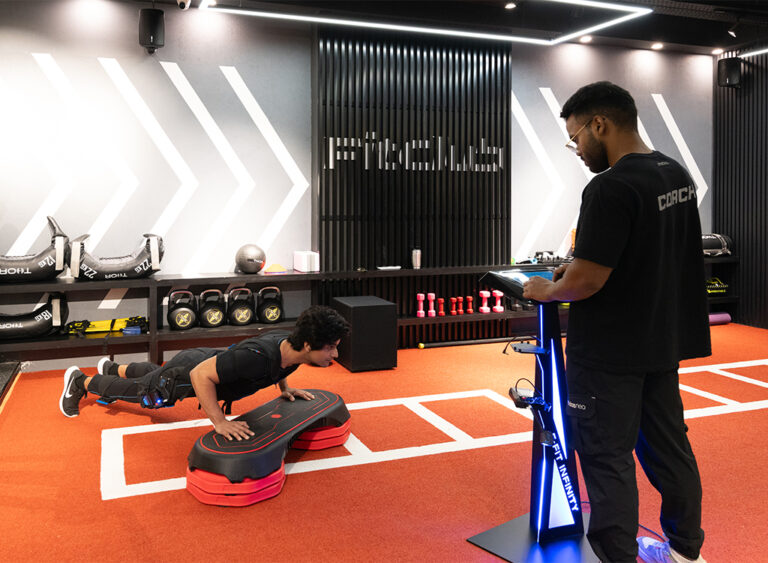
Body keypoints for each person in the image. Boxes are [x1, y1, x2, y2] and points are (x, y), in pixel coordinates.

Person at [522, 82, 710, 563]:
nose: (578, 150)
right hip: (660, 342)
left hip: (608, 353)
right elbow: (640, 255)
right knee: (669, 449)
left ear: (599, 125)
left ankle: (617, 556)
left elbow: (586, 281)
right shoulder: (675, 175)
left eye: (576, 137)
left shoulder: (609, 186)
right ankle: (686, 550)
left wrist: (548, 287)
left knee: (607, 458)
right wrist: (578, 267)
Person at [59, 305, 350, 441]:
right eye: (330, 348)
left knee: (154, 375)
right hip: (191, 372)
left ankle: (113, 367)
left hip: (203, 360)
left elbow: (283, 364)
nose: (334, 355)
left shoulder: (294, 346)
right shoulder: (256, 358)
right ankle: (82, 381)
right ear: (309, 344)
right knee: (145, 394)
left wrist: (283, 388)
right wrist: (220, 422)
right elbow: (200, 376)